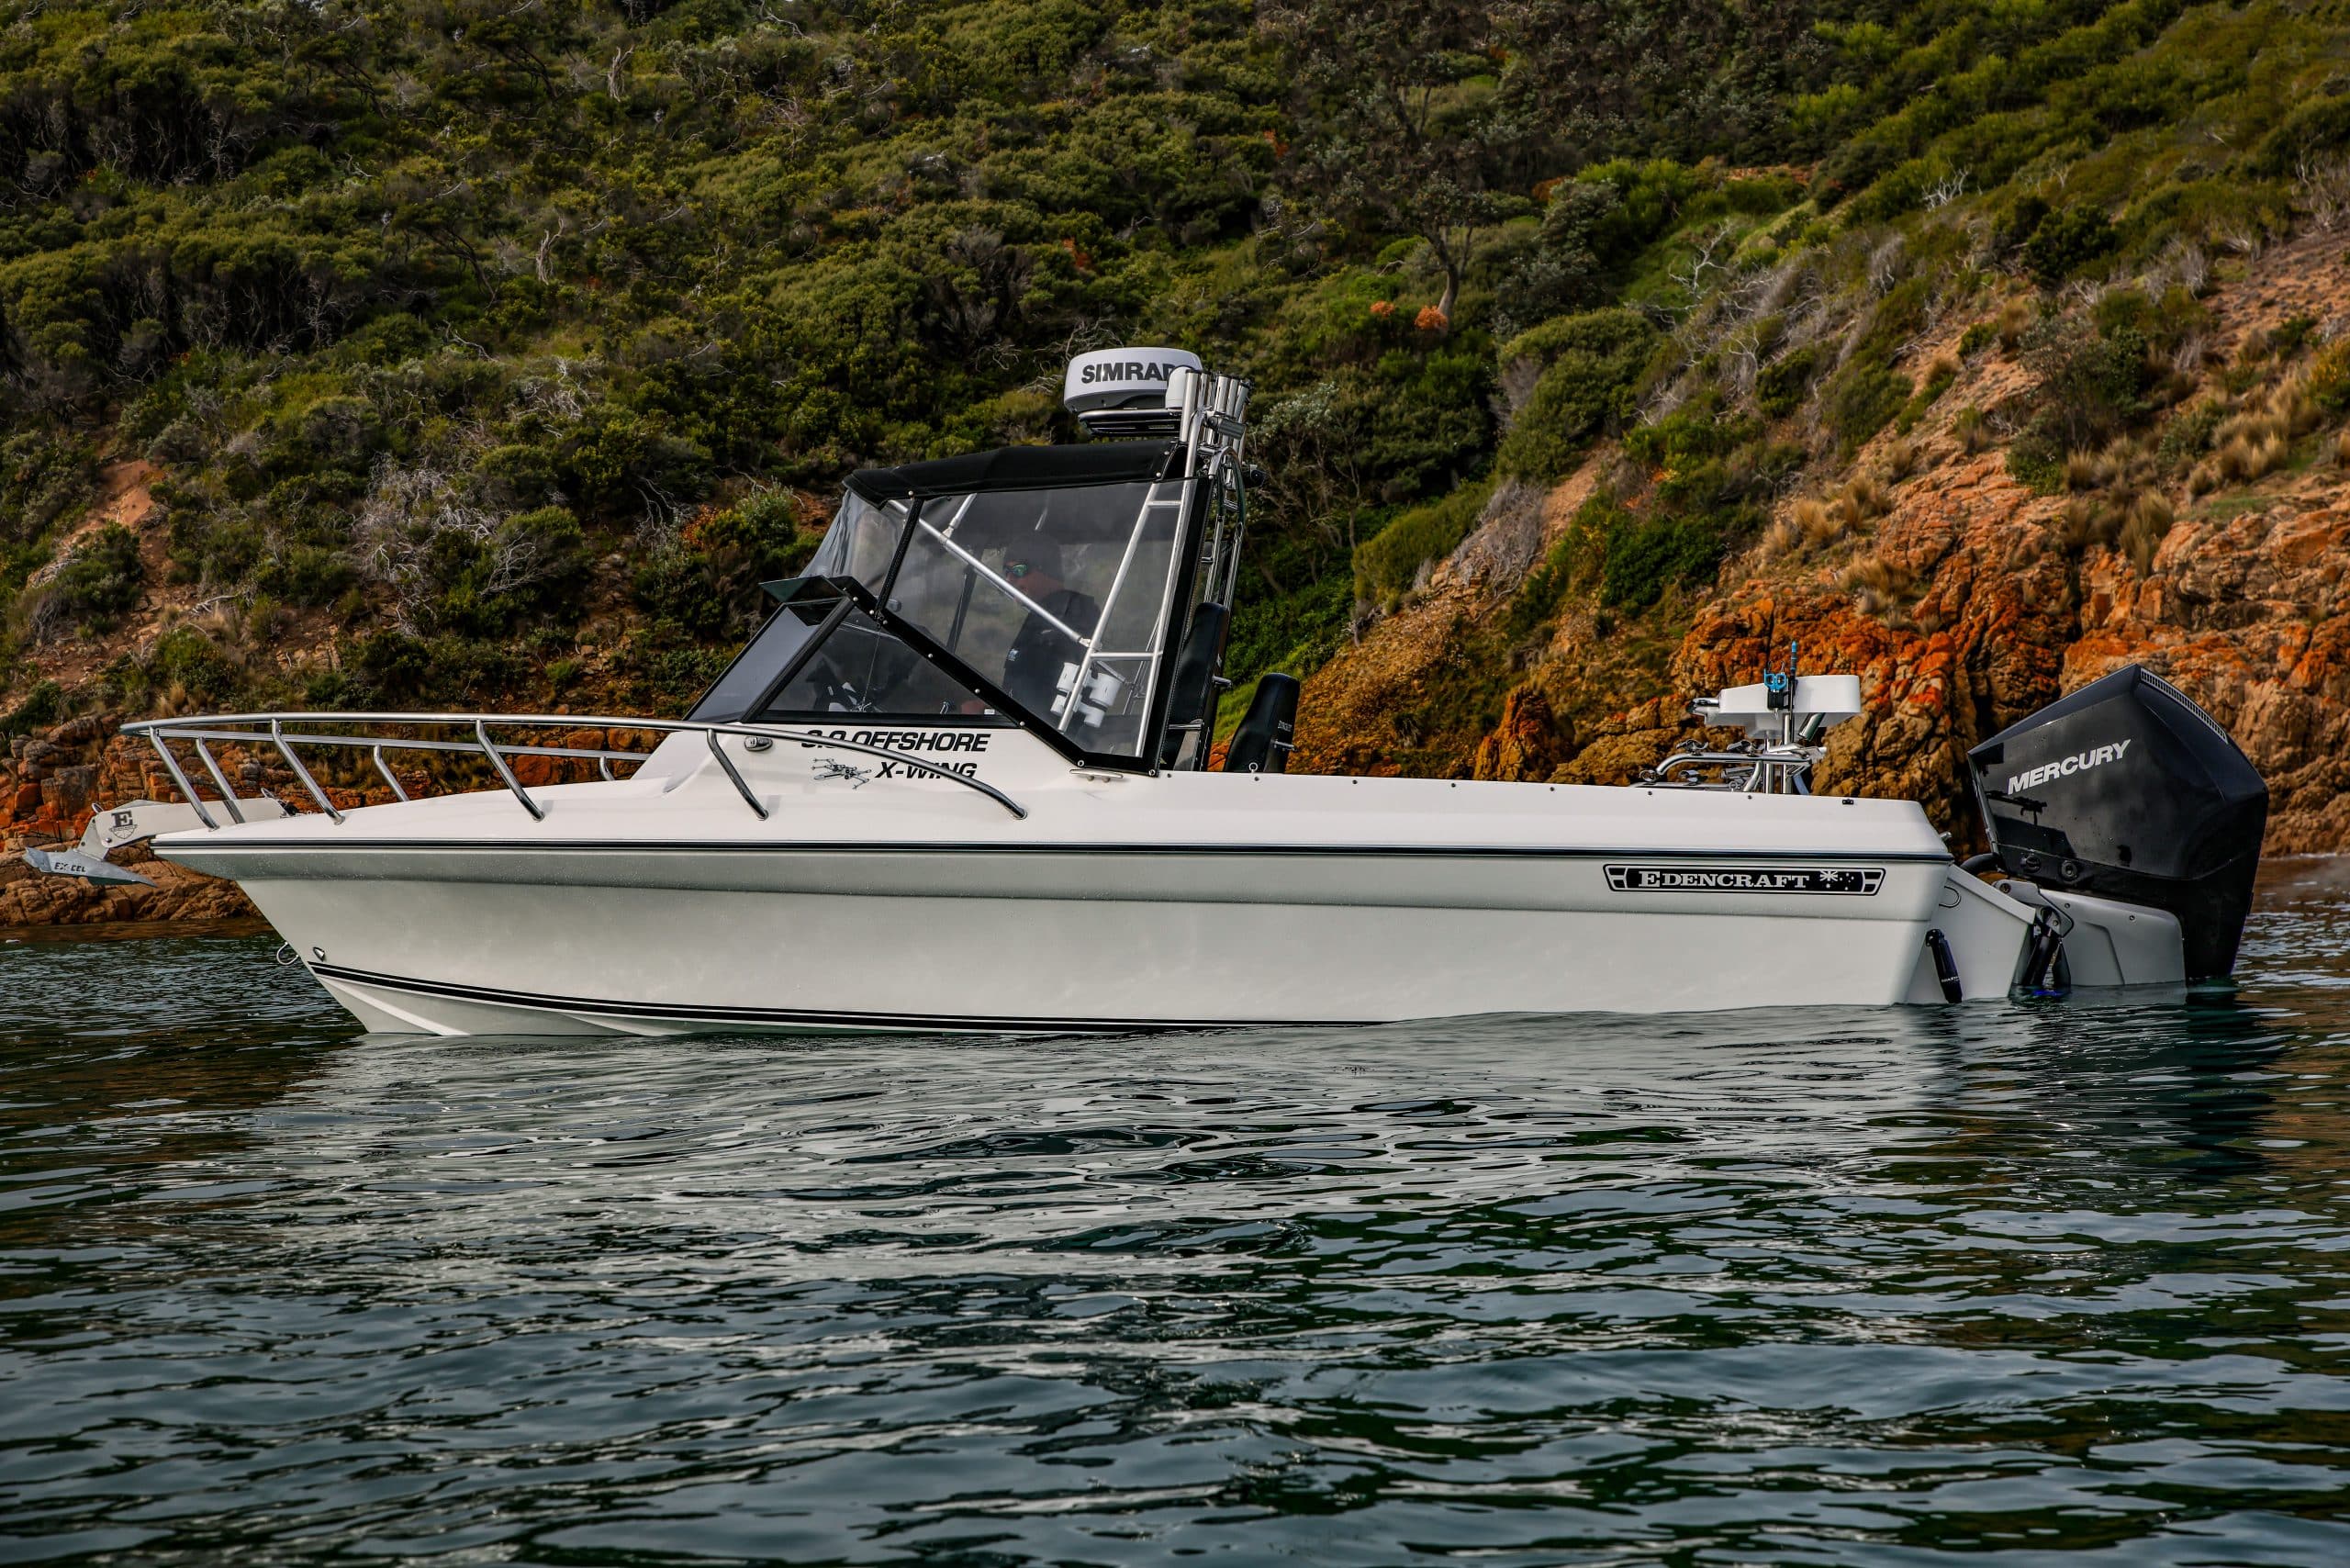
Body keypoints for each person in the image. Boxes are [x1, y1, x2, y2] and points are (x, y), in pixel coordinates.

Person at [998, 536, 1099, 718]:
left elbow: (1047, 688)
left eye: (1018, 570)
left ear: (1045, 569)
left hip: (1046, 728)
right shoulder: (1040, 614)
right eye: (1006, 572)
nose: (1009, 579)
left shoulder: (1074, 612)